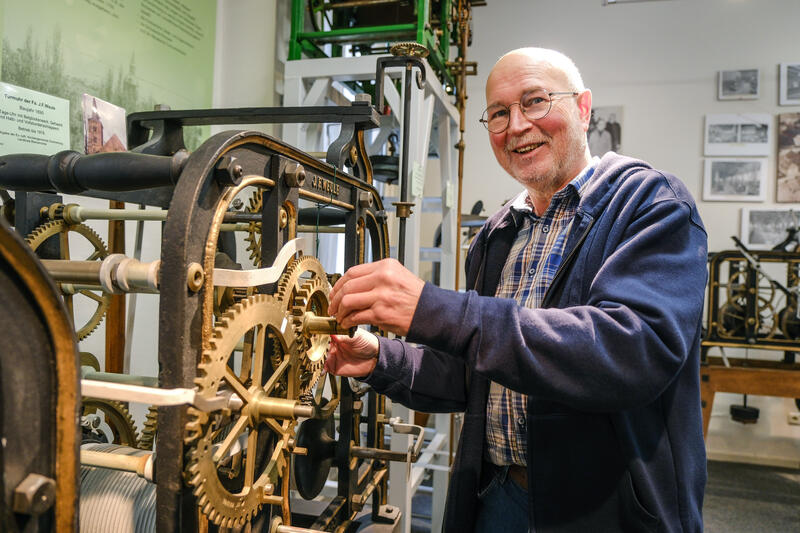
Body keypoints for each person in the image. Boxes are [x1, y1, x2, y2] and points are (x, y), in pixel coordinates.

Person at [326, 47, 707, 533]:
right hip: (498, 496)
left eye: (535, 101)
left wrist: (435, 309)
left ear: (583, 108)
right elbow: (475, 376)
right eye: (499, 113)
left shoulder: (652, 205)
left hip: (606, 511)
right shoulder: (499, 233)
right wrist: (380, 358)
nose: (517, 126)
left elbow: (628, 352)